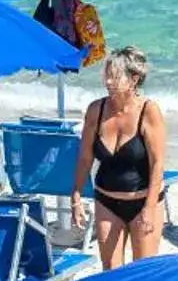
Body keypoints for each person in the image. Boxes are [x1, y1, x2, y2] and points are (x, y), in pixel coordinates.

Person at [71, 46, 168, 268]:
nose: (107, 82)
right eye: (106, 75)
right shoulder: (96, 109)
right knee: (110, 275)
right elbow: (85, 158)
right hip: (106, 201)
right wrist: (76, 197)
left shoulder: (149, 111)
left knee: (142, 274)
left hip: (143, 202)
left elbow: (157, 164)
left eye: (114, 76)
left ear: (134, 79)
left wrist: (149, 209)